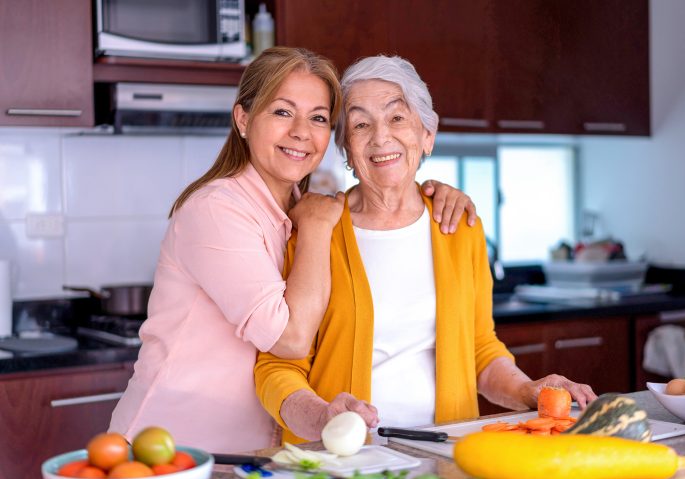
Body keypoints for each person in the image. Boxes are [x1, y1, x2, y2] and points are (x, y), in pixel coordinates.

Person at [109, 47, 477, 454]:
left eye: (318, 117)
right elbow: (291, 339)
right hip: (174, 447)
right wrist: (319, 227)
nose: (302, 131)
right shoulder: (218, 209)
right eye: (282, 112)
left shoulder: (298, 209)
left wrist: (438, 193)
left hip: (254, 451)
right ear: (244, 119)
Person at [254, 55, 597, 444]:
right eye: (361, 124)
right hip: (346, 460)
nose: (380, 137)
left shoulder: (459, 225)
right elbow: (276, 367)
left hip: (444, 454)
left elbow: (480, 349)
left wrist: (526, 390)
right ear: (347, 150)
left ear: (427, 136)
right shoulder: (317, 231)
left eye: (397, 118)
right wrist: (322, 418)